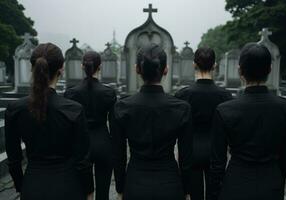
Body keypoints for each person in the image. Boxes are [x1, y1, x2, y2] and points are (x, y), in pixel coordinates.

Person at [210, 43, 286, 200]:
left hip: (236, 184)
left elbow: (217, 163)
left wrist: (214, 194)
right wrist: (276, 181)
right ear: (270, 69)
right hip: (271, 183)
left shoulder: (225, 110)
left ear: (240, 70)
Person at [5, 43, 90, 200]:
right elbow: (82, 160)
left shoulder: (15, 109)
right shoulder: (74, 109)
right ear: (61, 70)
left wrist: (21, 187)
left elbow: (14, 159)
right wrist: (89, 191)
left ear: (32, 69)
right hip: (68, 187)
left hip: (32, 185)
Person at [110, 43, 193, 200]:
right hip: (170, 185)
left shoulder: (122, 107)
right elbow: (186, 157)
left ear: (137, 69)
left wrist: (120, 188)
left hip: (135, 184)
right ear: (165, 70)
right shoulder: (182, 108)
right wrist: (187, 189)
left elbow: (118, 155)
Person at [175, 47, 232, 200]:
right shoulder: (225, 96)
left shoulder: (182, 95)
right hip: (217, 151)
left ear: (194, 65)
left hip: (190, 151)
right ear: (214, 65)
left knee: (195, 195)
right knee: (215, 194)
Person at [64, 51, 116, 200]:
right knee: (103, 193)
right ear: (100, 67)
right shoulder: (109, 93)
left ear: (82, 66)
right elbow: (113, 124)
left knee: (83, 192)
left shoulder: (71, 93)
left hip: (80, 145)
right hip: (103, 142)